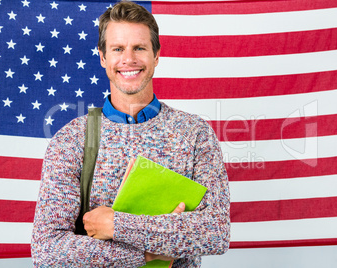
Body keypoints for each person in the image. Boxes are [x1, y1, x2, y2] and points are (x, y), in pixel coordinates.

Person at [31, 1, 230, 267]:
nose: (129, 59)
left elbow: (216, 233)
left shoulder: (195, 133)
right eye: (118, 49)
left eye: (139, 48)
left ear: (156, 55)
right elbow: (47, 249)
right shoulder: (71, 139)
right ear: (103, 57)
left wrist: (115, 225)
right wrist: (144, 255)